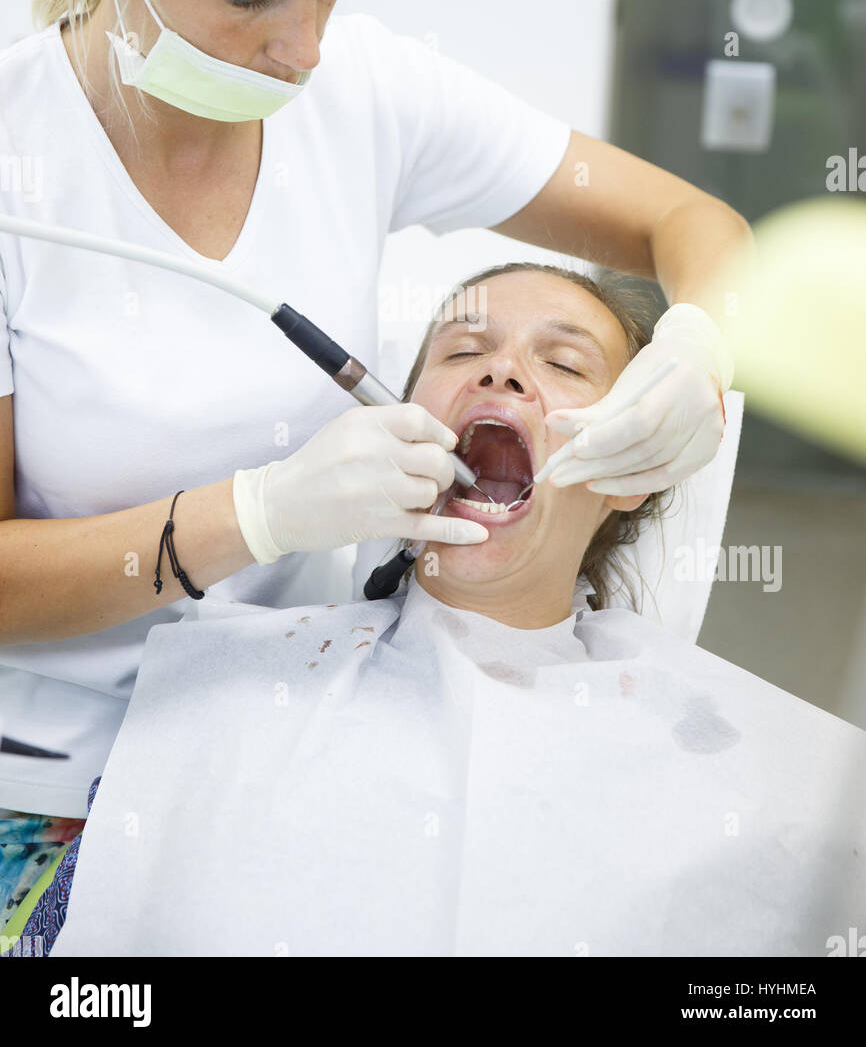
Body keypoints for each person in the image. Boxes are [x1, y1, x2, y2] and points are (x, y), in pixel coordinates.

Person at [0, 0, 751, 929]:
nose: (302, 50)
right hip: (54, 802)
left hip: (297, 756)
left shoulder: (367, 95)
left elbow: (698, 228)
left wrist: (702, 343)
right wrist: (250, 516)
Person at [18, 264, 864, 958]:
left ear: (630, 469)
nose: (501, 371)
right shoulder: (218, 692)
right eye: (465, 350)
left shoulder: (782, 781)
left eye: (565, 365)